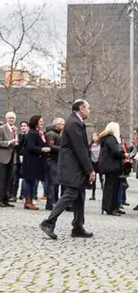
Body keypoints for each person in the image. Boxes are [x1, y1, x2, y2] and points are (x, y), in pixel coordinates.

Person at [40, 100, 96, 240]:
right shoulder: (74, 123)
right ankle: (49, 222)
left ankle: (78, 226)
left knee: (79, 195)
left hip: (74, 167)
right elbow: (80, 149)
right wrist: (90, 170)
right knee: (70, 194)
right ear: (81, 109)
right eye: (88, 108)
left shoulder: (74, 122)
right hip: (72, 167)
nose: (89, 111)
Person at [21, 115, 51, 210]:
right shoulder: (32, 133)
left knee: (32, 181)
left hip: (34, 161)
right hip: (31, 161)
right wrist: (42, 149)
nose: (42, 123)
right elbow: (30, 147)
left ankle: (29, 201)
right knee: (29, 181)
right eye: (40, 121)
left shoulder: (37, 133)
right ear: (35, 122)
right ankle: (28, 201)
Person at [98, 122, 126, 216]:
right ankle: (110, 208)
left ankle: (110, 207)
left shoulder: (106, 139)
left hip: (108, 166)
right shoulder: (111, 139)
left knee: (110, 187)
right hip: (112, 166)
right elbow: (115, 152)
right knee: (112, 188)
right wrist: (124, 155)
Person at [0, 114, 18, 207]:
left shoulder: (15, 128)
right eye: (10, 118)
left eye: (13, 118)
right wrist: (8, 142)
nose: (11, 119)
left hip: (12, 157)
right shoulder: (2, 128)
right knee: (1, 180)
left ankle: (5, 199)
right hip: (3, 158)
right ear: (6, 119)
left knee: (9, 180)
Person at [44, 118, 64, 210]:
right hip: (52, 160)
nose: (63, 126)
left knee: (55, 182)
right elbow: (50, 146)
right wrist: (62, 148)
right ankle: (50, 202)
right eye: (62, 124)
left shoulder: (58, 134)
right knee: (53, 182)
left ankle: (54, 201)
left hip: (57, 160)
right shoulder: (51, 134)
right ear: (57, 125)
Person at [13, 119, 28, 201]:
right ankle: (14, 194)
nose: (23, 128)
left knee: (25, 179)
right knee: (15, 178)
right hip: (18, 158)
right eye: (22, 126)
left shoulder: (29, 136)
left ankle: (23, 195)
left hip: (25, 159)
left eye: (25, 126)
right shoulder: (18, 136)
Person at [89, 132, 103, 200]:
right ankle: (93, 195)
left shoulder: (101, 145)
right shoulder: (91, 145)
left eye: (95, 136)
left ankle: (104, 195)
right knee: (93, 180)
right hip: (93, 163)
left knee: (101, 179)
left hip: (99, 163)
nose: (93, 137)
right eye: (93, 136)